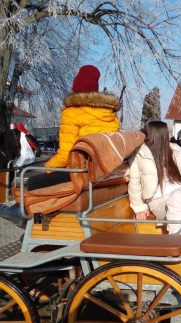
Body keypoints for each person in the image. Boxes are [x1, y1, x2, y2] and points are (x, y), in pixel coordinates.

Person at [0, 64, 121, 227]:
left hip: (80, 172)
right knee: (46, 177)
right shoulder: (111, 115)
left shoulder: (73, 112)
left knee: (35, 180)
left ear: (76, 87)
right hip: (100, 172)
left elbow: (66, 154)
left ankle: (23, 212)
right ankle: (31, 218)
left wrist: (48, 167)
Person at [128, 121, 181, 235]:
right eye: (167, 132)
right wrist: (139, 207)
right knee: (176, 201)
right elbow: (135, 182)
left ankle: (178, 245)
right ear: (161, 134)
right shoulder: (139, 154)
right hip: (158, 200)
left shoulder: (175, 152)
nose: (169, 135)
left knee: (178, 196)